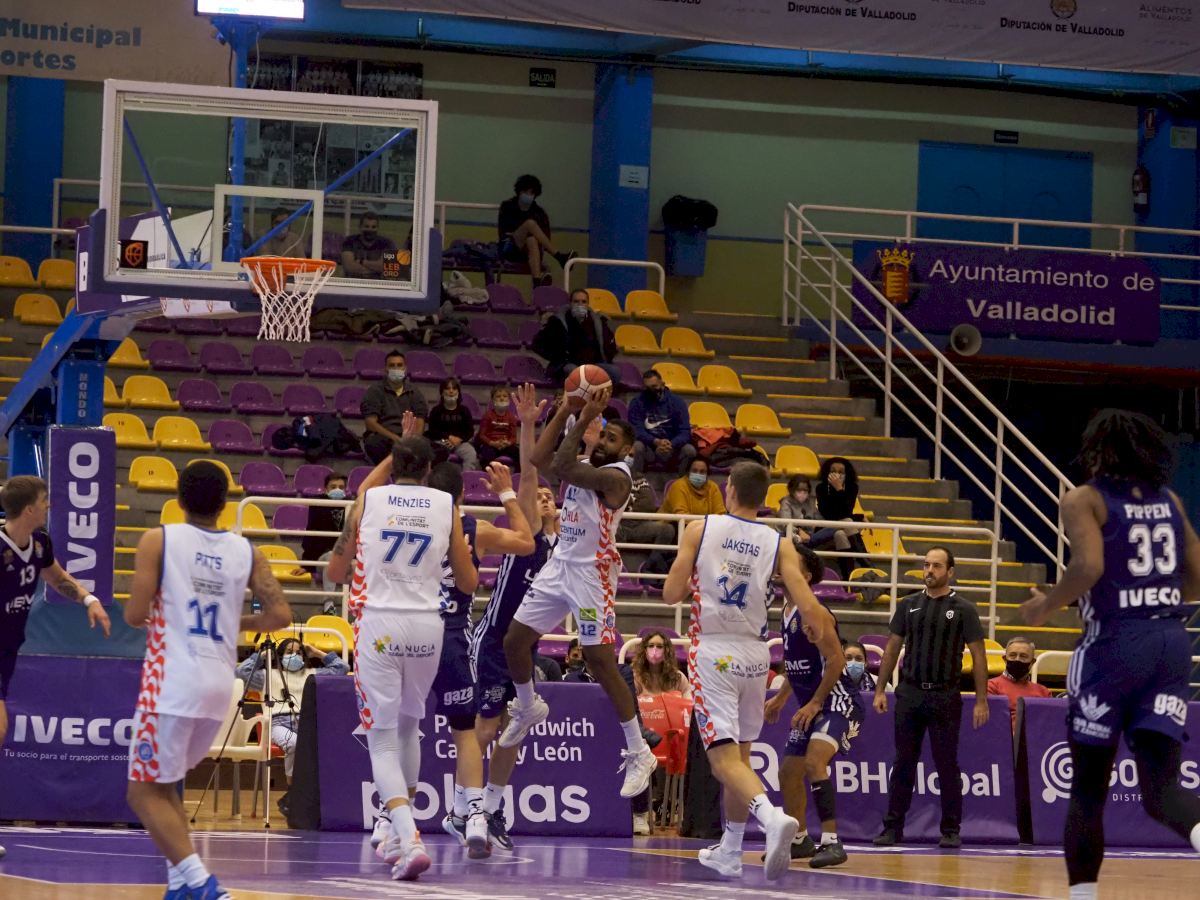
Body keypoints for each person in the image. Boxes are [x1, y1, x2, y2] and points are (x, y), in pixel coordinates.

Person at [1020, 409, 1200, 898]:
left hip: (1114, 646)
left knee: (1088, 789)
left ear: (1098, 449)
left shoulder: (1085, 499)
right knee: (1163, 790)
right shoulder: (1170, 501)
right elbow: (1196, 576)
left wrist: (1046, 605)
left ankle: (1083, 896)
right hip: (1170, 643)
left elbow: (1089, 566)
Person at [124, 461, 291, 900]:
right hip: (219, 685)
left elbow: (135, 614)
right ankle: (181, 884)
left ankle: (202, 883)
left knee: (142, 792)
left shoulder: (158, 540)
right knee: (165, 787)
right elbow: (280, 615)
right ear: (224, 503)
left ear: (179, 498)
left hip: (172, 681)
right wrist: (235, 620)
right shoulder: (247, 552)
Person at [662, 460, 827, 881]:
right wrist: (817, 626)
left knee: (722, 761)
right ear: (765, 496)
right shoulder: (779, 543)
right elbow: (806, 599)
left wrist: (698, 575)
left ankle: (772, 818)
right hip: (756, 655)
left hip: (714, 651)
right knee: (741, 758)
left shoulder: (699, 529)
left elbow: (670, 594)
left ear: (729, 489)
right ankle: (731, 850)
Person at [326, 437, 476, 882]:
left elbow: (335, 571)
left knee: (383, 741)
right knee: (411, 727)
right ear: (429, 469)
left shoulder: (369, 501)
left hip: (380, 623)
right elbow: (467, 582)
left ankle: (408, 837)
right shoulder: (447, 506)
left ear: (393, 466)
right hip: (428, 625)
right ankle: (395, 831)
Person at [498, 385, 659, 801]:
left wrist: (584, 416)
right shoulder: (585, 461)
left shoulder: (618, 478)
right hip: (560, 567)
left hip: (592, 577)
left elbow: (563, 465)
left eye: (611, 438)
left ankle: (639, 751)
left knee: (599, 660)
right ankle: (528, 706)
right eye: (602, 435)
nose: (602, 442)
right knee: (514, 641)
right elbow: (539, 459)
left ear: (626, 451)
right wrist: (564, 411)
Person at [425, 460, 534, 859]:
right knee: (466, 731)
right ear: (461, 494)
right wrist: (506, 492)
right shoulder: (475, 529)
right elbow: (526, 542)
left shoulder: (409, 522)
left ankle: (392, 819)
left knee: (397, 731)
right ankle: (471, 813)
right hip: (452, 635)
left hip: (409, 631)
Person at [1, 475, 112, 862]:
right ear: (30, 507)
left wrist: (89, 600)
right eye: (45, 499)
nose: (50, 504)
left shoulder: (40, 543)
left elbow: (58, 577)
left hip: (8, 652)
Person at [469, 384, 560, 853]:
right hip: (493, 640)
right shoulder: (529, 535)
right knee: (487, 729)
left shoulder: (565, 551)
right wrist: (528, 425)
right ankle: (466, 806)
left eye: (548, 497)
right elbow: (529, 472)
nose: (541, 498)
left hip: (524, 648)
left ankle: (491, 808)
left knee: (515, 729)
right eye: (536, 496)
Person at [872, 546, 989, 849]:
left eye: (936, 566)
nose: (929, 571)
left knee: (946, 764)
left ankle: (950, 829)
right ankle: (892, 828)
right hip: (910, 693)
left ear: (950, 571)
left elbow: (979, 655)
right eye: (926, 565)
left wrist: (981, 700)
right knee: (903, 762)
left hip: (945, 695)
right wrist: (881, 689)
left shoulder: (963, 609)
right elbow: (892, 647)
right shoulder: (909, 604)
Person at [763, 545, 872, 869]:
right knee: (788, 772)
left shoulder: (815, 612)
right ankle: (800, 840)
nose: (780, 567)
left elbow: (837, 660)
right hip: (812, 702)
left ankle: (832, 842)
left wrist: (814, 702)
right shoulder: (786, 610)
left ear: (805, 576)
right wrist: (781, 697)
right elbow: (796, 665)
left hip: (838, 701)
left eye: (790, 563)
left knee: (814, 762)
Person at [235, 637, 350, 816]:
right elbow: (241, 672)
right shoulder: (266, 676)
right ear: (280, 656)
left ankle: (299, 798)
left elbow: (342, 668)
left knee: (330, 746)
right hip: (277, 723)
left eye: (298, 652)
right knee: (295, 744)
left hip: (307, 723)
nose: (294, 656)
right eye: (289, 652)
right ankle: (295, 792)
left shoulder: (313, 674)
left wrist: (317, 653)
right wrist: (263, 655)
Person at [497, 174, 576, 287]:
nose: (528, 195)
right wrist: (522, 231)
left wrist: (530, 235)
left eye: (531, 193)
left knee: (532, 239)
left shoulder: (539, 213)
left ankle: (537, 283)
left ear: (535, 195)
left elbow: (545, 239)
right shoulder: (508, 206)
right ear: (519, 191)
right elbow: (504, 232)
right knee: (530, 224)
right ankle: (559, 257)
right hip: (509, 247)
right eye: (525, 192)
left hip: (531, 252)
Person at [531, 289, 621, 387]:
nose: (580, 305)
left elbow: (609, 345)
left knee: (614, 372)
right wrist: (557, 358)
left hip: (593, 364)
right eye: (576, 301)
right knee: (574, 372)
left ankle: (598, 392)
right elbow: (537, 344)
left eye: (583, 302)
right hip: (567, 364)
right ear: (570, 303)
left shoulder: (597, 321)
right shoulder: (557, 321)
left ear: (588, 304)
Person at [361, 351, 429, 465]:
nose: (396, 368)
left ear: (405, 368)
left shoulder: (415, 392)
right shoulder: (374, 391)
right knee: (373, 443)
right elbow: (370, 423)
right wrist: (396, 439)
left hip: (409, 438)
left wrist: (412, 441)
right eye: (392, 365)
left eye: (399, 365)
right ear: (385, 369)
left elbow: (420, 420)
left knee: (433, 447)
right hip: (385, 438)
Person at [292, 472, 347, 611]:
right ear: (325, 489)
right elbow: (311, 536)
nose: (337, 490)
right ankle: (329, 606)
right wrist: (307, 565)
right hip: (325, 558)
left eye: (341, 487)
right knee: (331, 556)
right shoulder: (317, 505)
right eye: (333, 487)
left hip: (346, 559)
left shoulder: (352, 506)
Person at [627, 369, 696, 476]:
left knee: (690, 450)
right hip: (649, 446)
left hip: (672, 447)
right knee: (636, 446)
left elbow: (684, 431)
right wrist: (655, 441)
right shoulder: (637, 402)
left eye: (654, 386)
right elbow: (636, 430)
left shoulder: (677, 402)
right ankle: (636, 480)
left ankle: (680, 481)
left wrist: (671, 444)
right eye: (647, 388)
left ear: (662, 384)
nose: (651, 390)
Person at [813, 457, 867, 579]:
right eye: (833, 471)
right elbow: (829, 514)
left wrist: (839, 489)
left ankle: (848, 579)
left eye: (841, 472)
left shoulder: (852, 487)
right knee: (848, 522)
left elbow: (846, 511)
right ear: (827, 472)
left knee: (840, 535)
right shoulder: (821, 488)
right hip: (826, 527)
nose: (837, 475)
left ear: (847, 474)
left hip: (843, 528)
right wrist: (859, 517)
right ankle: (866, 563)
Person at [987, 636, 1050, 731]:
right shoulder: (991, 686)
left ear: (1032, 662)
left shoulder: (1044, 692)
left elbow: (1048, 724)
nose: (1017, 659)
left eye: (1023, 656)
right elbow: (994, 722)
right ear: (1005, 659)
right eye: (1012, 655)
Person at [425, 377, 479, 470]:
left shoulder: (464, 410)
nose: (451, 391)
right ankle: (438, 477)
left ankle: (466, 477)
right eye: (447, 388)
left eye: (454, 388)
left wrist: (459, 439)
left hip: (460, 442)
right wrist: (449, 437)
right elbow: (432, 431)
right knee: (437, 453)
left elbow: (469, 431)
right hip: (441, 442)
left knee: (471, 454)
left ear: (458, 392)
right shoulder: (436, 411)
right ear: (442, 392)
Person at [473, 385, 520, 470]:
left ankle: (518, 475)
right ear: (493, 400)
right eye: (498, 396)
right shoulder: (488, 415)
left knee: (519, 453)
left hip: (505, 446)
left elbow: (513, 438)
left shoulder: (512, 418)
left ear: (509, 399)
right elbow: (482, 435)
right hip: (490, 445)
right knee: (487, 454)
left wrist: (508, 443)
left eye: (505, 396)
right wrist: (492, 443)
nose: (502, 398)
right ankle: (488, 475)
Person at [632, 631, 690, 699]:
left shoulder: (679, 678)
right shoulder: (636, 677)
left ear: (666, 651)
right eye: (651, 646)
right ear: (645, 651)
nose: (655, 650)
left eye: (659, 646)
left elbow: (689, 700)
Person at [660, 457, 726, 517]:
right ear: (688, 472)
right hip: (670, 524)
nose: (698, 474)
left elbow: (720, 514)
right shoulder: (678, 486)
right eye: (694, 471)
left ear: (707, 474)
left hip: (701, 524)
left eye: (702, 472)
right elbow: (681, 515)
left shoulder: (713, 487)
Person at [341, 211, 398, 278]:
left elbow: (388, 267)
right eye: (366, 226)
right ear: (360, 227)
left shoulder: (387, 243)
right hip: (353, 282)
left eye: (373, 227)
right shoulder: (349, 241)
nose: (370, 230)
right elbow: (349, 267)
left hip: (378, 283)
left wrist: (362, 262)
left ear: (377, 228)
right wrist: (376, 269)